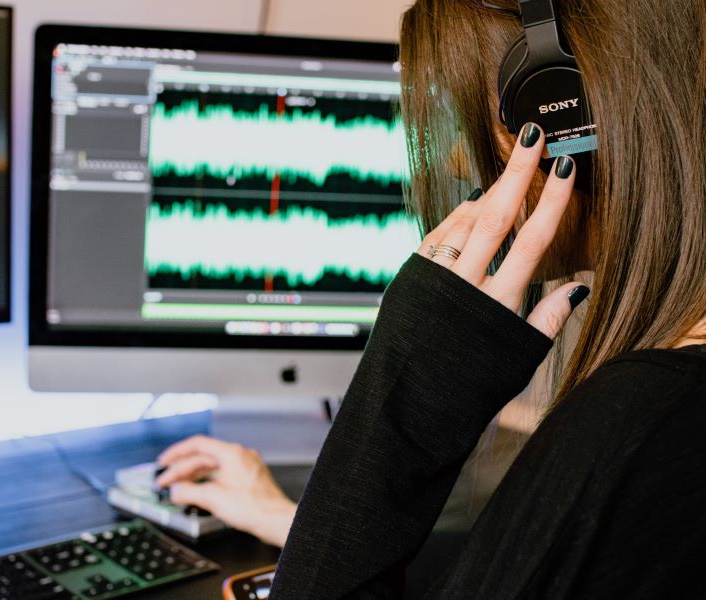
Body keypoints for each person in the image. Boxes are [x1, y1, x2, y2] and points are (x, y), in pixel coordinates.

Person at [160, 0, 706, 597]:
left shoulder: (638, 424)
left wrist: (406, 390)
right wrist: (308, 526)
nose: (451, 158)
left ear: (565, 109)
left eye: (487, 116)